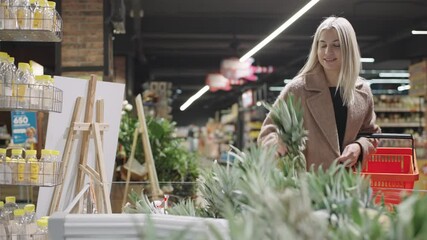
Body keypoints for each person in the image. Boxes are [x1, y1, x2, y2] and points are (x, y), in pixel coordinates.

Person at [258, 16, 381, 170]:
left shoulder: (363, 91)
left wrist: (359, 147)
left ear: (349, 49)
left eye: (336, 45)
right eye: (322, 45)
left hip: (347, 187)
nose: (328, 52)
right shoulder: (298, 89)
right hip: (306, 187)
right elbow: (269, 130)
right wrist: (276, 143)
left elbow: (370, 134)